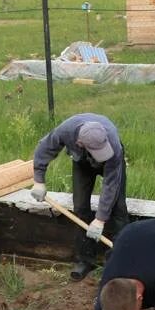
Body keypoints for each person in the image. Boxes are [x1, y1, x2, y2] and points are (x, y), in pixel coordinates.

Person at [30, 113, 130, 280]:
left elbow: (110, 185)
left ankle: (121, 262)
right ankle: (85, 259)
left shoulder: (112, 145)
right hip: (82, 162)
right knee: (80, 207)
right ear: (79, 143)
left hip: (112, 161)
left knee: (118, 208)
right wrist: (39, 180)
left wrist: (100, 219)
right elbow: (44, 148)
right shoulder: (66, 131)